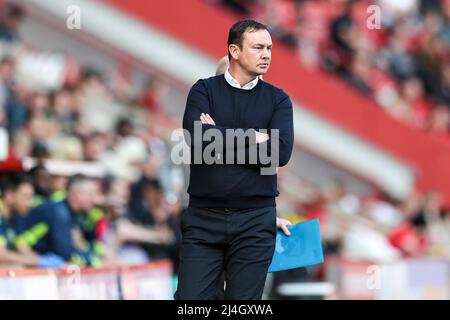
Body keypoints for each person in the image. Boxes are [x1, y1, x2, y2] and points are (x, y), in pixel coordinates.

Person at [175, 19, 294, 300]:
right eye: (258, 47)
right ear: (235, 51)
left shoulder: (278, 100)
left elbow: (280, 153)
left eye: (269, 48)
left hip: (255, 221)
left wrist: (218, 137)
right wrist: (255, 137)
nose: (267, 54)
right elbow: (198, 140)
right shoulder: (203, 90)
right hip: (203, 219)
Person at [0, 174, 64, 268]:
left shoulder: (15, 217)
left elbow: (22, 248)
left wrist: (59, 265)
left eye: (32, 197)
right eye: (26, 197)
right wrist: (39, 261)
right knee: (18, 267)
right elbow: (2, 255)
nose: (30, 203)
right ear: (9, 196)